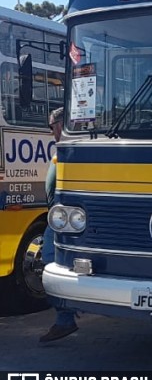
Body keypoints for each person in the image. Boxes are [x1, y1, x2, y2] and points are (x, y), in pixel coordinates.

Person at [39, 107, 78, 343]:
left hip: (63, 220)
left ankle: (65, 319)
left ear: (61, 124)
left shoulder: (74, 149)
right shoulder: (63, 150)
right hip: (58, 217)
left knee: (49, 260)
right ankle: (65, 317)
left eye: (51, 126)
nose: (51, 131)